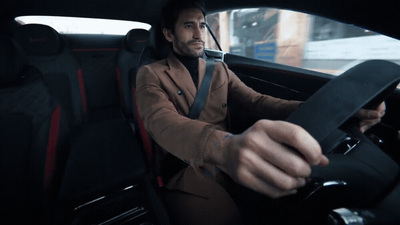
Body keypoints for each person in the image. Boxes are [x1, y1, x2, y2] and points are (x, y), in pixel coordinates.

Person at [135, 0, 386, 224]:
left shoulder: (218, 69)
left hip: (234, 154)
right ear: (169, 33)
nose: (199, 33)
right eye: (188, 26)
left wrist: (331, 110)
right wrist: (223, 146)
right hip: (187, 163)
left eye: (202, 25)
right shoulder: (151, 73)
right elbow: (160, 121)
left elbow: (257, 102)